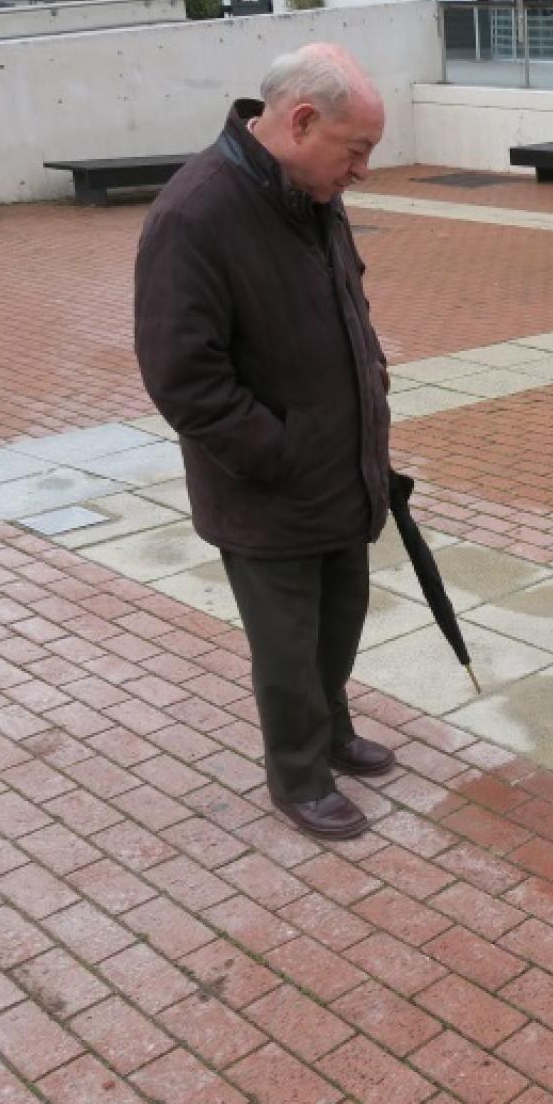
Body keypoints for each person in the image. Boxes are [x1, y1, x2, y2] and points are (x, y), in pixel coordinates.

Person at [134, 43, 394, 840]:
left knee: (339, 620)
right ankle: (299, 774)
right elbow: (183, 376)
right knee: (287, 647)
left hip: (342, 470)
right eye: (357, 151)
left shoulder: (310, 193)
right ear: (303, 122)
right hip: (271, 486)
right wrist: (277, 456)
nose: (361, 171)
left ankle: (332, 731)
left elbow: (346, 311)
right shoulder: (196, 212)